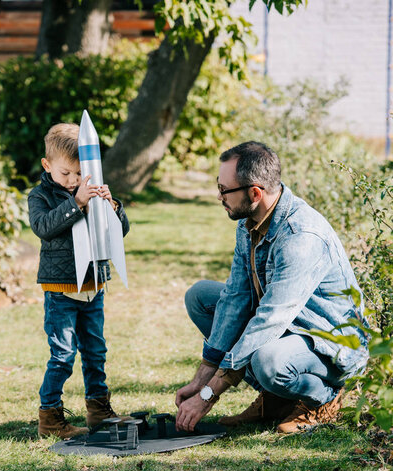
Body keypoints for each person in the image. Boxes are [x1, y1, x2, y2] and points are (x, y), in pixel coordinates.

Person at [175, 141, 369, 434]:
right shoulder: (249, 221)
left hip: (329, 342)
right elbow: (235, 298)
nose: (219, 196)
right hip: (289, 328)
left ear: (255, 192)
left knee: (268, 361)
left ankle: (325, 398)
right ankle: (276, 398)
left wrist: (209, 395)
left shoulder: (301, 235)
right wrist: (201, 379)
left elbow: (268, 320)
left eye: (225, 190)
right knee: (201, 297)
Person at [28, 123, 130, 439]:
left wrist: (112, 207)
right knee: (62, 354)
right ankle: (51, 417)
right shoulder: (41, 195)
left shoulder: (91, 188)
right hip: (61, 290)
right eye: (65, 174)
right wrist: (77, 203)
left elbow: (119, 232)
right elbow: (43, 226)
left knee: (95, 352)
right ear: (48, 166)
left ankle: (99, 410)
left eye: (78, 174)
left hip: (93, 288)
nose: (73, 181)